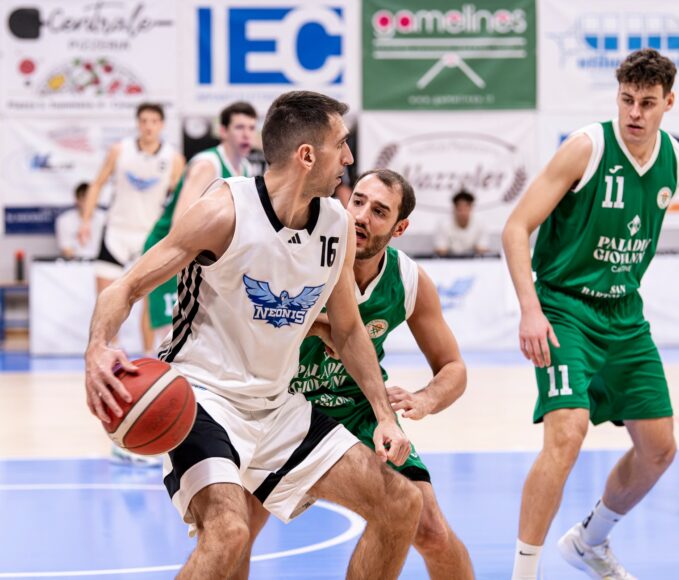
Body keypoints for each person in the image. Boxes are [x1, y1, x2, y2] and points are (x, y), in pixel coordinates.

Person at [84, 91, 423, 579]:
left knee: (401, 504)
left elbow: (349, 331)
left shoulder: (337, 226)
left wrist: (384, 416)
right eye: (341, 145)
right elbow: (126, 287)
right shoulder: (223, 212)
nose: (349, 158)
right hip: (204, 398)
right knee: (228, 534)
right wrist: (98, 348)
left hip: (277, 406)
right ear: (307, 155)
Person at [241, 169, 474, 580]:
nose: (362, 216)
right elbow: (248, 318)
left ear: (400, 228)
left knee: (431, 529)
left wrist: (425, 399)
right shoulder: (305, 254)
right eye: (358, 202)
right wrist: (317, 324)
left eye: (380, 211)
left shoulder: (408, 280)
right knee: (235, 532)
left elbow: (454, 368)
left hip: (359, 410)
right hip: (283, 408)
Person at [503, 48, 677, 580]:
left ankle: (589, 541)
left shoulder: (672, 157)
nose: (635, 113)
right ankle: (523, 574)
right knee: (568, 432)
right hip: (564, 308)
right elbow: (515, 228)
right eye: (627, 99)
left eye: (647, 103)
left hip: (624, 316)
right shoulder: (587, 147)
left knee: (659, 449)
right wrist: (530, 310)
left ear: (668, 103)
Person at [143, 101, 257, 347]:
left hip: (200, 255)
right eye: (239, 127)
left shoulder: (246, 168)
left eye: (251, 127)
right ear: (223, 131)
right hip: (170, 250)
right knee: (171, 336)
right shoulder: (208, 164)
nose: (247, 134)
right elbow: (180, 223)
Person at [55, 182, 105, 259]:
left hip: (101, 261)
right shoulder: (64, 220)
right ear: (77, 200)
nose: (89, 204)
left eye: (92, 200)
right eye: (85, 200)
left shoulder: (105, 218)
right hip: (75, 263)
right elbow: (66, 249)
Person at [434, 189, 489, 256]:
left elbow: (482, 249)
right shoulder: (444, 224)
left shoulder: (480, 222)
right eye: (460, 209)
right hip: (449, 260)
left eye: (466, 208)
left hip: (474, 260)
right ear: (454, 208)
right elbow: (441, 249)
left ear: (471, 208)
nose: (463, 213)